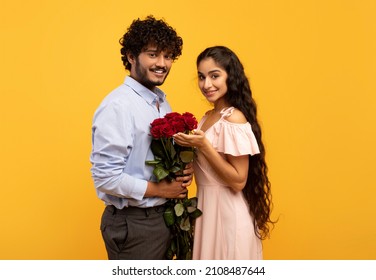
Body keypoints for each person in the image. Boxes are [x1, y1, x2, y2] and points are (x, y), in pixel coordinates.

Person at [90, 15, 193, 260]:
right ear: (131, 57)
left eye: (168, 56)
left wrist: (181, 171)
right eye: (153, 54)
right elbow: (105, 178)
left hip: (163, 218)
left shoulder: (161, 101)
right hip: (135, 225)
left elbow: (149, 157)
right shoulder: (118, 106)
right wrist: (161, 189)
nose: (162, 63)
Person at [173, 46, 274, 259]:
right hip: (207, 210)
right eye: (201, 77)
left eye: (214, 76)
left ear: (231, 76)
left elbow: (238, 181)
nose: (206, 84)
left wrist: (203, 146)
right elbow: (208, 168)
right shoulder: (208, 116)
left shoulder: (233, 118)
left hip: (228, 215)